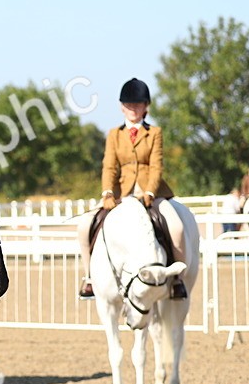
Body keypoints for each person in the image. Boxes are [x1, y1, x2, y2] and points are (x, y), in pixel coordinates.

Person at [78, 78, 187, 301]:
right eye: (128, 105)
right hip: (122, 194)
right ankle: (89, 278)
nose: (133, 109)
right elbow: (109, 165)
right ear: (121, 107)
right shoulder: (114, 134)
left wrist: (149, 192)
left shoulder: (154, 132)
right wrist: (107, 192)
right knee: (85, 225)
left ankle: (177, 280)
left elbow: (156, 165)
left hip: (150, 193)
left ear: (146, 107)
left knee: (176, 227)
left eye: (137, 105)